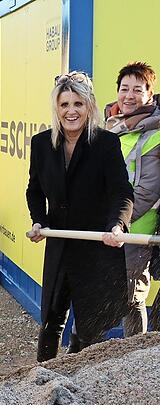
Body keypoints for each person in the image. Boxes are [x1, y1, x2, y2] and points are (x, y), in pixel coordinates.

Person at [27, 71, 133, 361]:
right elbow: (34, 191)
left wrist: (117, 224)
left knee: (89, 328)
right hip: (59, 245)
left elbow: (121, 192)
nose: (71, 111)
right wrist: (39, 221)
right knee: (50, 321)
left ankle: (78, 375)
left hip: (96, 247)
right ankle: (41, 378)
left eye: (78, 104)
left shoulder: (106, 144)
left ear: (90, 107)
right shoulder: (41, 144)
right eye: (64, 105)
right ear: (56, 108)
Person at [104, 62, 160, 336]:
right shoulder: (110, 127)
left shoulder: (155, 135)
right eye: (124, 88)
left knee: (131, 298)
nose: (129, 95)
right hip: (105, 228)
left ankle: (134, 354)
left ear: (150, 94)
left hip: (135, 232)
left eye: (137, 89)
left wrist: (118, 221)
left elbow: (148, 190)